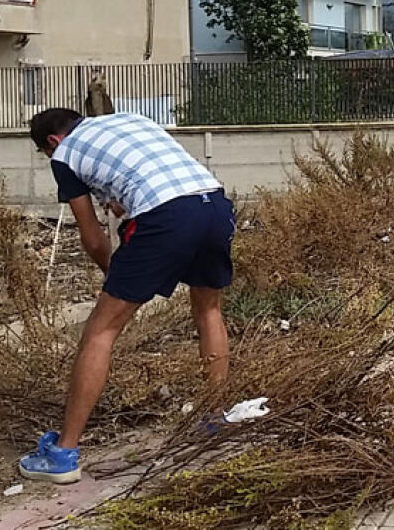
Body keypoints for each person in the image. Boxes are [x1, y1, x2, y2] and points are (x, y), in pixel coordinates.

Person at [19, 108, 235, 483]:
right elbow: (143, 171)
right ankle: (215, 419)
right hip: (213, 204)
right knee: (208, 310)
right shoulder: (131, 119)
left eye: (46, 152)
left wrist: (114, 276)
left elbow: (92, 236)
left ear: (52, 141)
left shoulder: (64, 155)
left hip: (167, 215)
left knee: (100, 331)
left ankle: (64, 454)